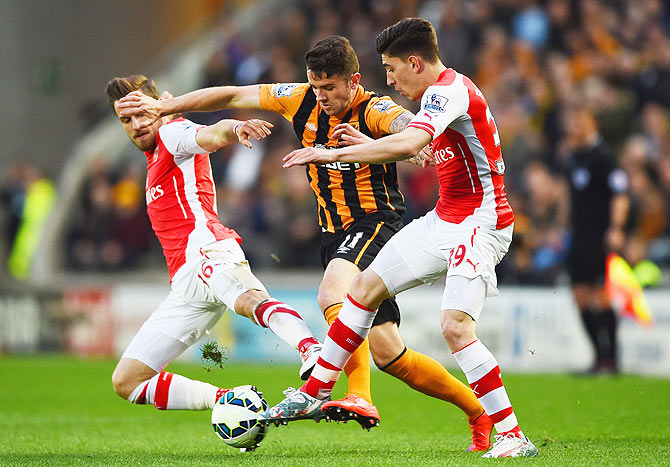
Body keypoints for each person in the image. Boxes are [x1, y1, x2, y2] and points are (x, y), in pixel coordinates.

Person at [118, 37, 493, 450]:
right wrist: (166, 107)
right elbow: (232, 93)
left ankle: (358, 396)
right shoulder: (298, 99)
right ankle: (479, 413)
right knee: (390, 356)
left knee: (333, 293)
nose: (322, 96)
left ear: (353, 80)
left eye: (329, 87)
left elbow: (406, 126)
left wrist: (410, 147)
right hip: (334, 235)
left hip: (375, 222)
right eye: (316, 87)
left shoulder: (374, 107)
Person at [270, 18, 538, 458]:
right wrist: (363, 141)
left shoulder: (448, 91)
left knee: (454, 328)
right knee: (363, 288)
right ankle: (317, 389)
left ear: (415, 62)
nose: (389, 80)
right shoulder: (442, 95)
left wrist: (331, 153)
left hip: (481, 223)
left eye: (392, 69)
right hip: (446, 218)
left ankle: (512, 436)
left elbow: (406, 142)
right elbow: (425, 153)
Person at [105, 75, 322, 413]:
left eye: (143, 113)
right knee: (127, 380)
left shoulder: (171, 133)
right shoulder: (152, 160)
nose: (136, 125)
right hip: (185, 285)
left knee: (249, 301)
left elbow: (208, 133)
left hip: (208, 251)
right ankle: (230, 400)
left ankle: (312, 351)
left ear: (163, 102)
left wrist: (233, 131)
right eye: (126, 120)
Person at [562, 106, 629, 374]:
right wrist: (560, 225)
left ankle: (611, 358)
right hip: (578, 236)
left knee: (601, 297)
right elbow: (571, 196)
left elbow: (620, 193)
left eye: (581, 119)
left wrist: (616, 227)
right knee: (579, 296)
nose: (576, 125)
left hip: (599, 235)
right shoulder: (573, 157)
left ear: (593, 123)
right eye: (573, 120)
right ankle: (598, 357)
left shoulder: (605, 157)